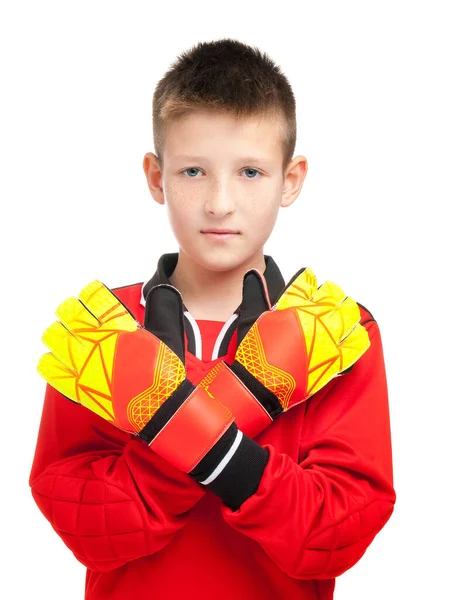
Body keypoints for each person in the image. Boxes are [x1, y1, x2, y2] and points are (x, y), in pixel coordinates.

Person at [29, 38, 396, 600]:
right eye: (194, 171)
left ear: (290, 180)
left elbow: (334, 534)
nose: (219, 202)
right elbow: (89, 531)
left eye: (250, 172)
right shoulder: (100, 330)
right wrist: (239, 402)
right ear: (156, 177)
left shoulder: (339, 333)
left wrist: (175, 423)